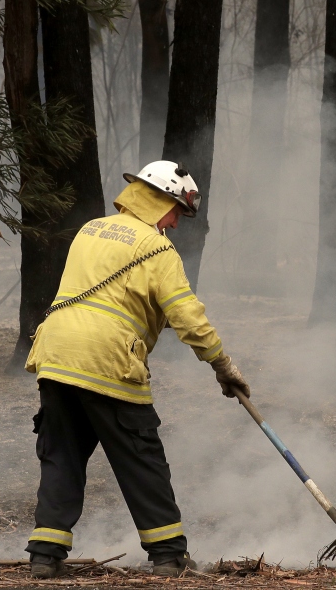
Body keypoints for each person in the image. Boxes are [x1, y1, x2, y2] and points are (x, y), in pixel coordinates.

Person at [22, 161, 250, 579]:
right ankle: (168, 556)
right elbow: (187, 316)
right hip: (107, 360)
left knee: (62, 456)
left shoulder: (90, 230)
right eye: (178, 212)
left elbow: (100, 295)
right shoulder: (158, 249)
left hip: (55, 356)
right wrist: (222, 364)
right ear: (160, 200)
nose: (176, 224)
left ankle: (44, 556)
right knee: (142, 458)